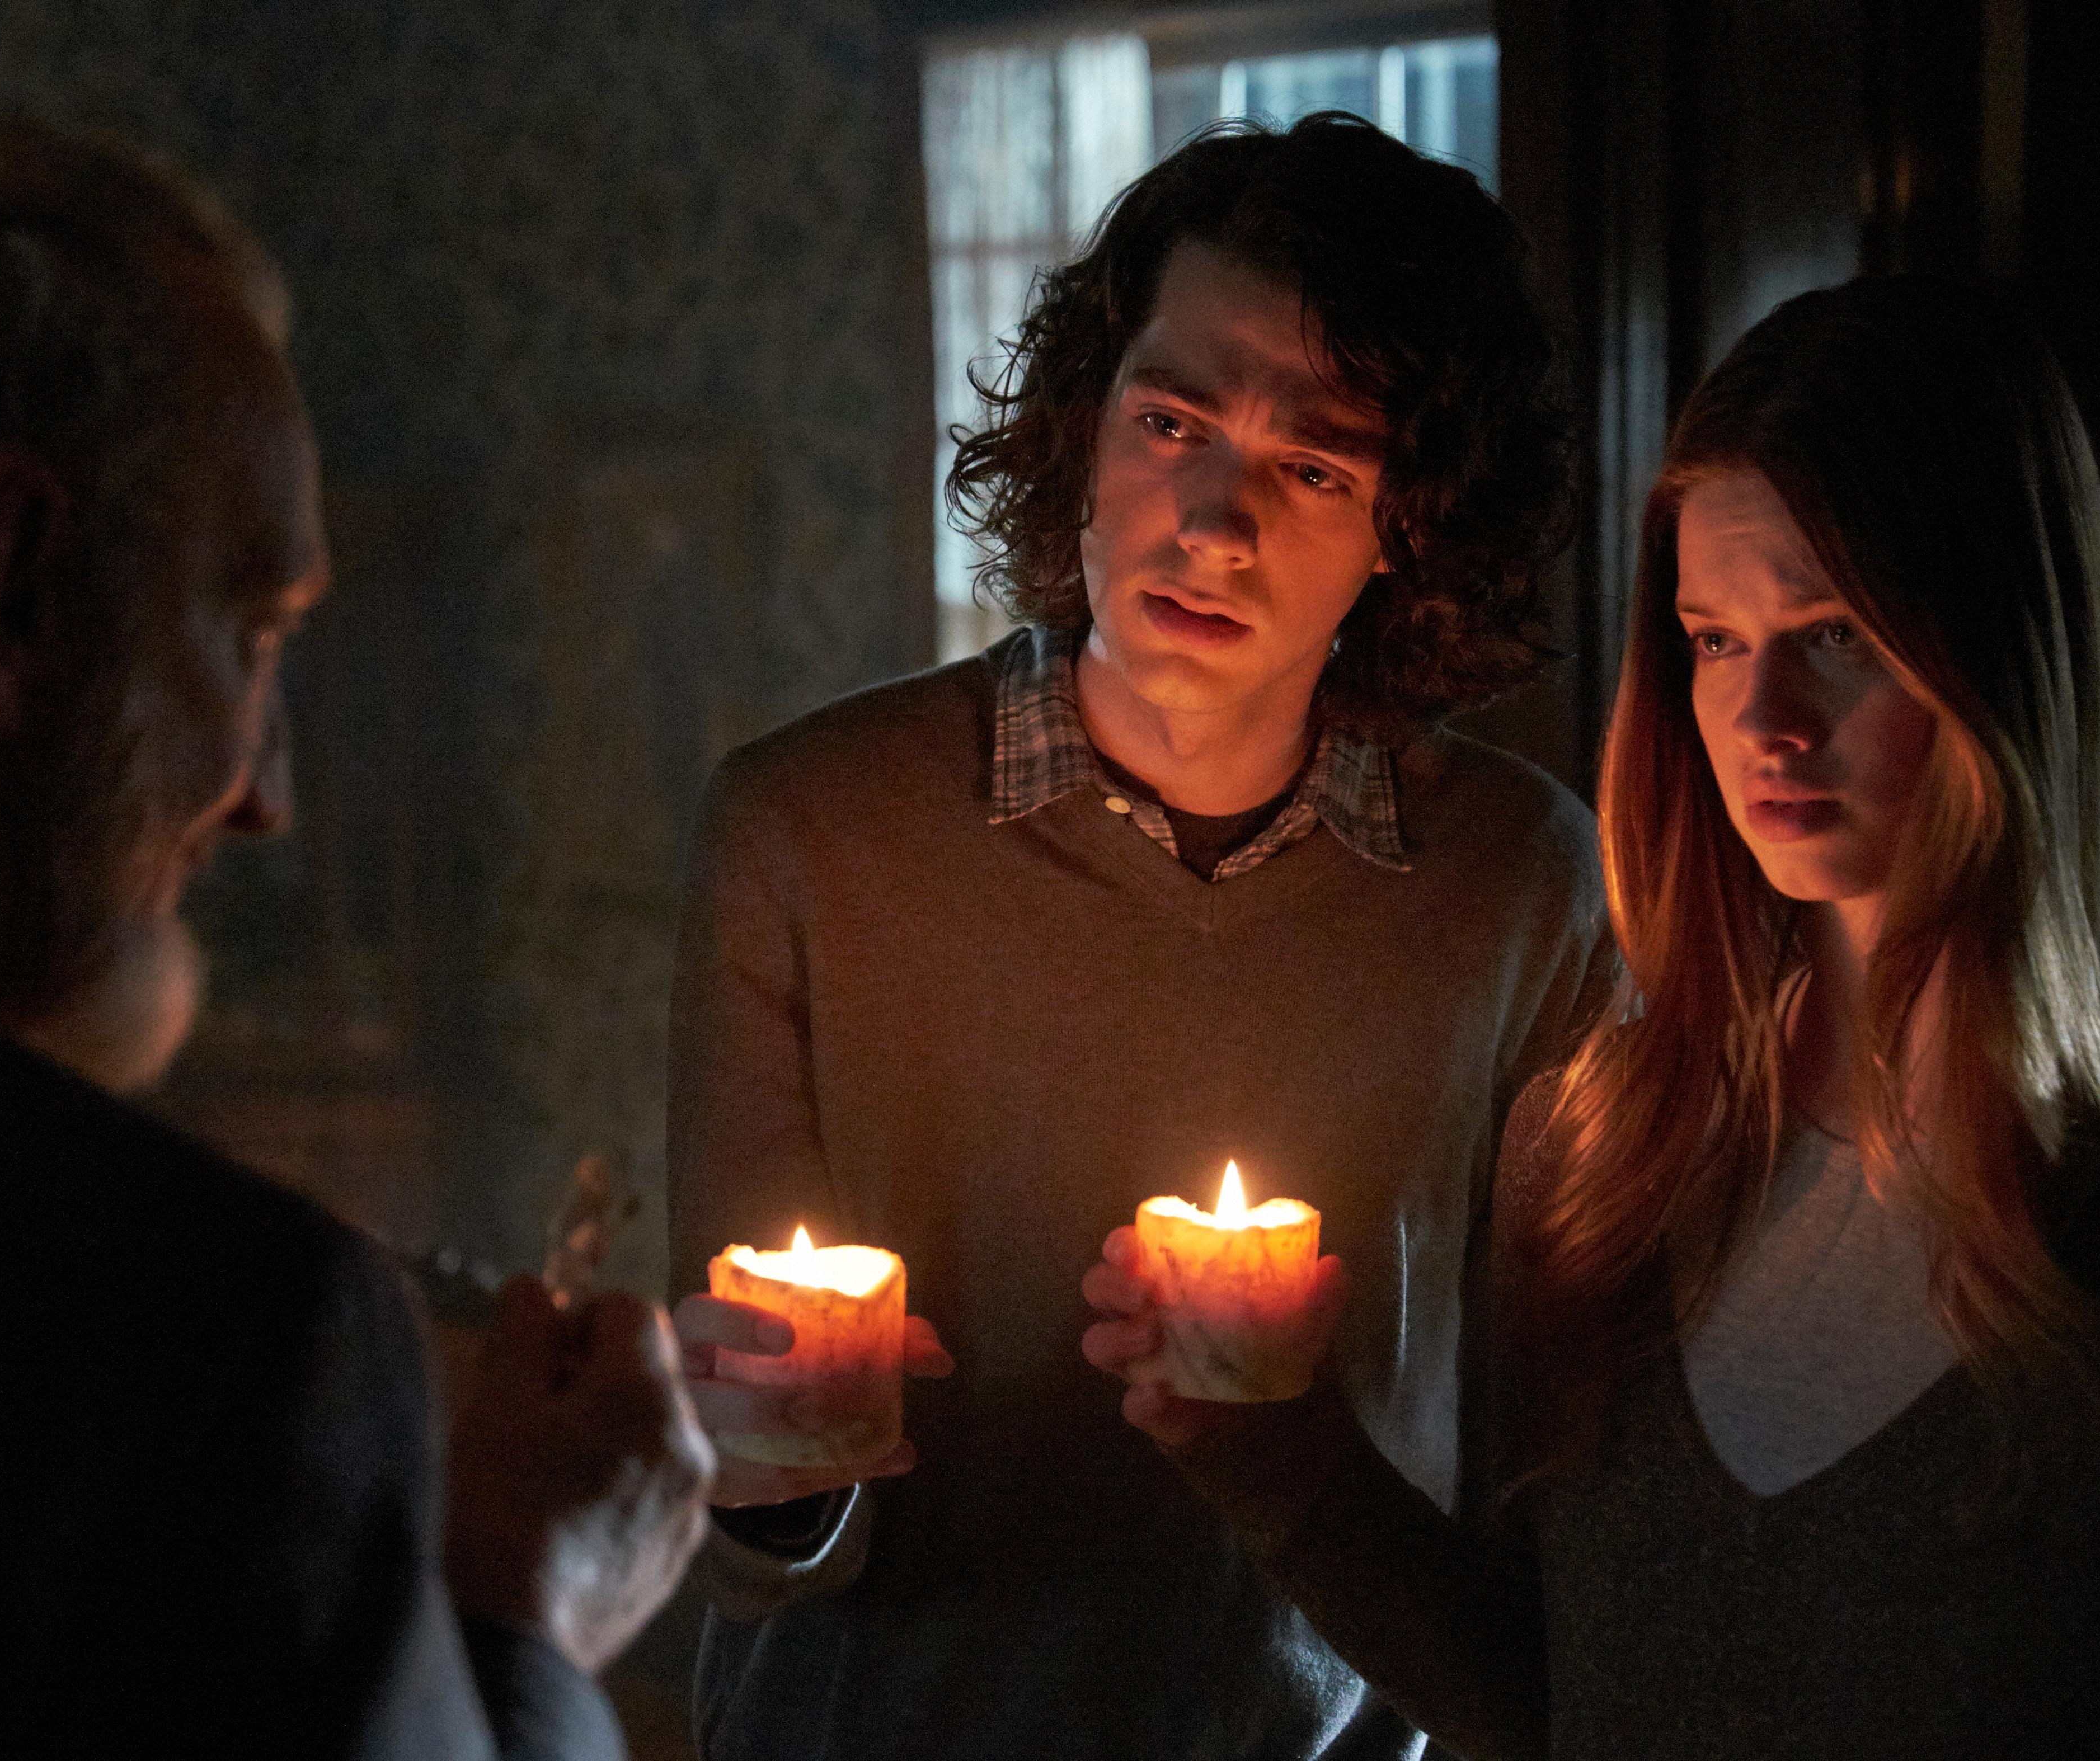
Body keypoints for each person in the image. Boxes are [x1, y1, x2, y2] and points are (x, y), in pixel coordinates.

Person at [0, 120, 712, 1759]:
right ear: (17, 582)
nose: (264, 795)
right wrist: (529, 1639)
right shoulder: (193, 1333)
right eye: (250, 631)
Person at [1085, 275, 2100, 1757]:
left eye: (1835, 635)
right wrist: (1283, 1462)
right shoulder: (1608, 1142)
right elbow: (1550, 1706)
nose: (1765, 723)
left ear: (2007, 654)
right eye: (1713, 641)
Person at [667, 114, 1615, 1759]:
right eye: (1169, 422)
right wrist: (762, 1474)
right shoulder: (806, 830)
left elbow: (1556, 1500)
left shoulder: (1521, 887)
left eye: (1312, 467)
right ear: (1084, 426)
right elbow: (757, 1526)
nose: (1213, 522)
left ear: (1408, 527)